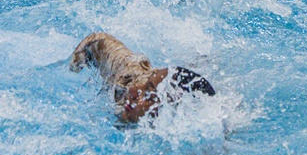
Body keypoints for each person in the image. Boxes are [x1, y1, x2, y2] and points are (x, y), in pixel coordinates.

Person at [70, 32, 214, 123]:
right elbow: (98, 39)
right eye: (146, 86)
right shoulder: (127, 80)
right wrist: (72, 69)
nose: (133, 91)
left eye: (148, 95)